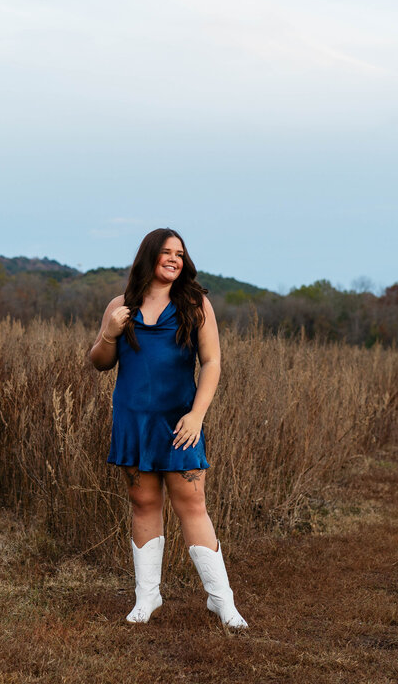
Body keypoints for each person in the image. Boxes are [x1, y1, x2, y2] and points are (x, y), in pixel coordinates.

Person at [87, 228, 248, 629]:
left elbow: (211, 362)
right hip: (133, 420)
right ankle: (147, 598)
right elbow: (99, 361)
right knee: (143, 504)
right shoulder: (120, 305)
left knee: (192, 506)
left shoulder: (196, 304)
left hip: (180, 422)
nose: (174, 259)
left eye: (180, 253)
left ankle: (221, 601)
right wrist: (109, 332)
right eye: (166, 252)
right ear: (149, 256)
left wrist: (197, 415)